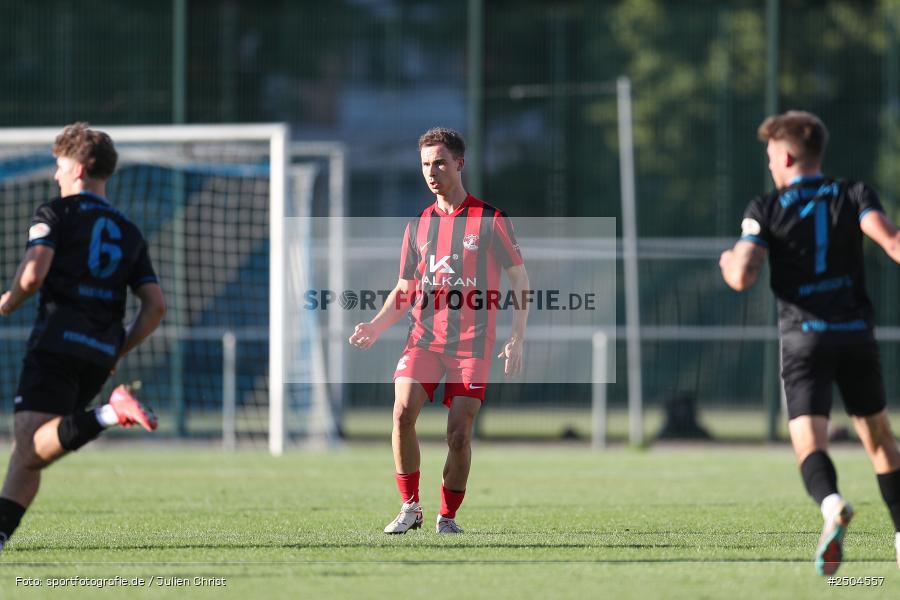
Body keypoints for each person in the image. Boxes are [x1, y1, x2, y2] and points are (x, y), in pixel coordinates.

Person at [720, 111, 900, 575]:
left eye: (769, 157)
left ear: (784, 155)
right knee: (880, 439)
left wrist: (728, 262)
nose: (768, 166)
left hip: (805, 339)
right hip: (856, 335)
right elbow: (894, 244)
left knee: (808, 444)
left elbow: (742, 274)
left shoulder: (764, 208)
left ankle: (833, 504)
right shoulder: (853, 193)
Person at [349, 127, 529, 534]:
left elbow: (520, 281)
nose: (432, 171)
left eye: (440, 162)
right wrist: (376, 327)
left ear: (459, 164)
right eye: (426, 164)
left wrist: (517, 336)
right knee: (401, 413)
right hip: (424, 339)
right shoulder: (418, 227)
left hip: (472, 345)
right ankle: (409, 507)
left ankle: (446, 518)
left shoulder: (490, 220)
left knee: (459, 434)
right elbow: (405, 289)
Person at [0, 123, 166, 550]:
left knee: (32, 446)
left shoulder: (56, 213)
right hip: (99, 353)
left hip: (56, 341)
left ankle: (111, 414)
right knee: (28, 451)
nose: (55, 175)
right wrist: (119, 349)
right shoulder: (129, 231)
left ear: (79, 168)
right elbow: (156, 307)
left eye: (59, 165)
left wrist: (7, 301)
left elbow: (34, 274)